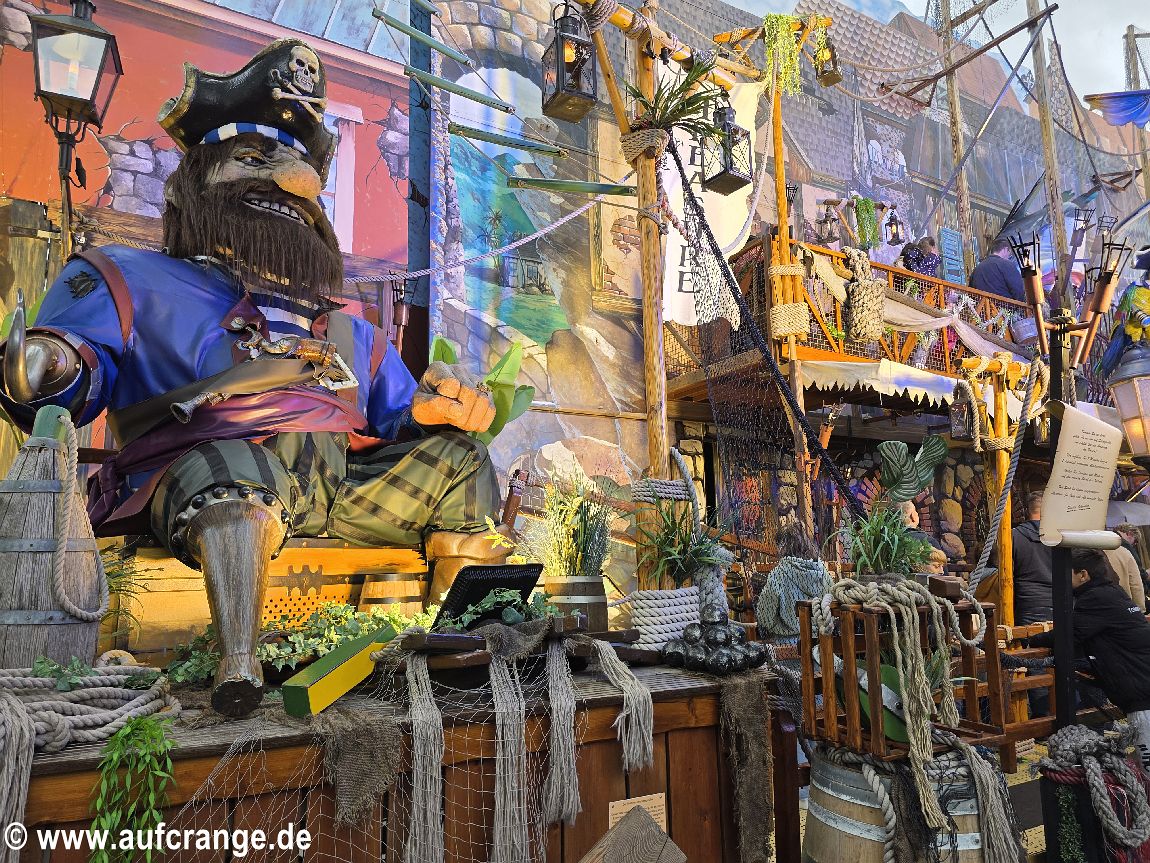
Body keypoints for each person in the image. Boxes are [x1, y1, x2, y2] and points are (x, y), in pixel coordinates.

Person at [0, 40, 509, 716]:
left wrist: (439, 406)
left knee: (461, 462)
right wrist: (55, 363)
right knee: (236, 474)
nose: (298, 183)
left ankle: (464, 643)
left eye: (305, 170)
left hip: (339, 489)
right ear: (195, 182)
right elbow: (72, 373)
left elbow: (398, 416)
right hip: (197, 479)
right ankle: (238, 665)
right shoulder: (127, 276)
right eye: (255, 158)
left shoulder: (351, 329)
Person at [1028, 549, 1150, 766]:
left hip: (1140, 694)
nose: (1061, 580)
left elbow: (1069, 634)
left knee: (1147, 762)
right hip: (1141, 684)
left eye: (1067, 574)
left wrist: (1031, 640)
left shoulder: (1095, 598)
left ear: (1083, 575)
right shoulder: (1114, 592)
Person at [1012, 490, 1053, 624]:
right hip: (1063, 604)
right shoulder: (1063, 537)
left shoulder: (1013, 537)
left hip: (1028, 607)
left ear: (1026, 511)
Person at [1104, 543, 1147, 611]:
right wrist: (1139, 610)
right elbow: (1136, 586)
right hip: (1124, 609)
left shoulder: (1087, 553)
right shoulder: (1122, 552)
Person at [1115, 522, 1150, 598]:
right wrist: (1147, 574)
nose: (1134, 545)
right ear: (1129, 534)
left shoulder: (1108, 539)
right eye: (1135, 541)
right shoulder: (1125, 545)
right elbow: (1138, 572)